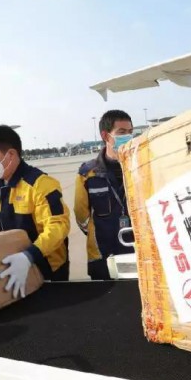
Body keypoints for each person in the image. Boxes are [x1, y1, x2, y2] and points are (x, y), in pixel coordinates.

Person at [0, 125, 71, 297]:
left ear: (11, 155)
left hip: (46, 266)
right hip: (12, 264)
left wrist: (29, 256)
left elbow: (58, 227)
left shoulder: (41, 184)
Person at [74, 110, 135, 280]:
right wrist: (101, 232)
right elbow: (81, 216)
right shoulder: (87, 173)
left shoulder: (140, 167)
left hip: (137, 251)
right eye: (121, 132)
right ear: (105, 136)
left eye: (130, 132)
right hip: (103, 254)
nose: (128, 137)